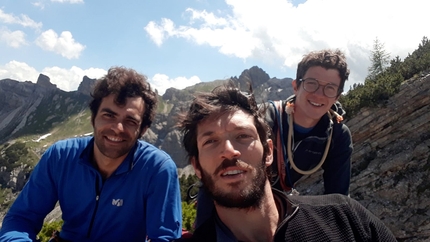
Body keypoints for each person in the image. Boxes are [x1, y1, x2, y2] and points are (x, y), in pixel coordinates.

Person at [176, 83, 396, 241]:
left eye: (243, 136)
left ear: (269, 152)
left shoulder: (345, 218)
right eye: (211, 141)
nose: (229, 151)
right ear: (196, 167)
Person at [0, 67, 182, 242]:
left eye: (130, 121)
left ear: (143, 130)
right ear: (93, 118)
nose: (117, 128)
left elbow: (165, 238)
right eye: (108, 115)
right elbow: (20, 219)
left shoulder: (157, 168)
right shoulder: (61, 156)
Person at [266, 49, 353, 195]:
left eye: (330, 88)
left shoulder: (337, 135)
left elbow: (339, 196)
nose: (319, 94)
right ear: (296, 87)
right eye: (312, 83)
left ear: (337, 96)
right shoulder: (265, 118)